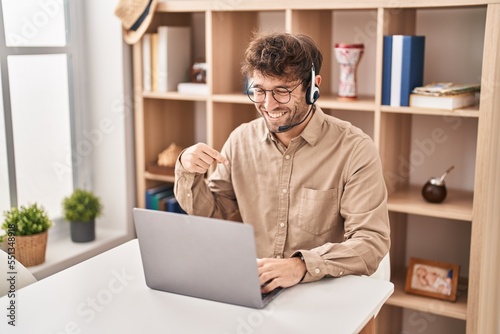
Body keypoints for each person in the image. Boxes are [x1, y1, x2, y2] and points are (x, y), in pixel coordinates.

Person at [174, 32, 390, 294]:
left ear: (313, 87)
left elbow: (371, 242)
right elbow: (212, 213)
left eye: (282, 91)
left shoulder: (355, 149)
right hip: (256, 286)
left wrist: (301, 266)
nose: (268, 104)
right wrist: (187, 169)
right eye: (259, 91)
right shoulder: (241, 139)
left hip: (323, 289)